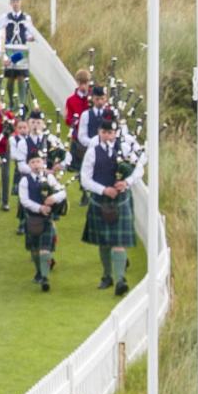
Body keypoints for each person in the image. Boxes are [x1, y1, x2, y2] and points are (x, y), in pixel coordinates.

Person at [78, 112, 140, 296]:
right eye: (104, 132)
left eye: (110, 132)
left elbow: (139, 169)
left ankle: (121, 280)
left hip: (121, 199)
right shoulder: (92, 151)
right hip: (101, 199)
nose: (107, 135)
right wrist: (103, 190)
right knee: (104, 242)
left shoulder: (125, 148)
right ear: (99, 132)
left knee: (118, 242)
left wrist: (126, 183)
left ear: (115, 133)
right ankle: (107, 276)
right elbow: (85, 179)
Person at [18, 145, 67, 292]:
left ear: (43, 162)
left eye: (38, 161)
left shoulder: (49, 177)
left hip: (46, 220)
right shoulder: (24, 181)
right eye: (32, 162)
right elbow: (24, 200)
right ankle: (39, 271)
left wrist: (53, 198)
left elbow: (62, 192)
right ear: (28, 165)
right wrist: (40, 208)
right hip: (32, 219)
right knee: (34, 251)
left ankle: (45, 278)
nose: (36, 165)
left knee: (45, 250)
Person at [1, 0, 38, 109]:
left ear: (21, 2)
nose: (16, 4)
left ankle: (22, 103)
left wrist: (30, 38)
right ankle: (11, 101)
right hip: (10, 49)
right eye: (14, 2)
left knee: (21, 76)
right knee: (11, 77)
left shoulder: (26, 18)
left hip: (21, 49)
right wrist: (3, 36)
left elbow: (27, 32)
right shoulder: (6, 17)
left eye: (18, 1)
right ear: (11, 3)